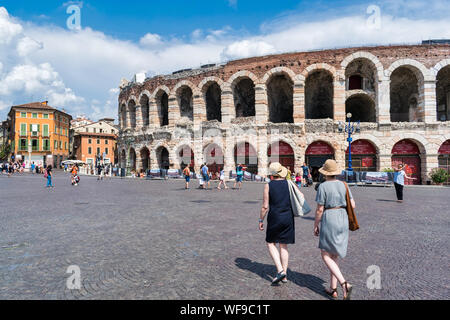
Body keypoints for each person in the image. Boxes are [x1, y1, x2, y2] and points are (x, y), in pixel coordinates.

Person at [314, 159, 355, 300]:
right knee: (334, 254)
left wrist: (315, 225)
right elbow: (353, 205)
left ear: (325, 173)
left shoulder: (323, 186)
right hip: (342, 218)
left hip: (329, 217)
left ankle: (344, 284)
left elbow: (320, 209)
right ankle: (332, 288)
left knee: (325, 254)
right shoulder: (344, 185)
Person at [259, 162, 297, 285]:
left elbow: (265, 207)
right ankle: (285, 275)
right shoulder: (289, 183)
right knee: (284, 245)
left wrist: (261, 220)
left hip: (275, 216)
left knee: (270, 243)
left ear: (272, 175)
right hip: (288, 217)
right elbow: (300, 195)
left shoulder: (268, 186)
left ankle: (280, 270)